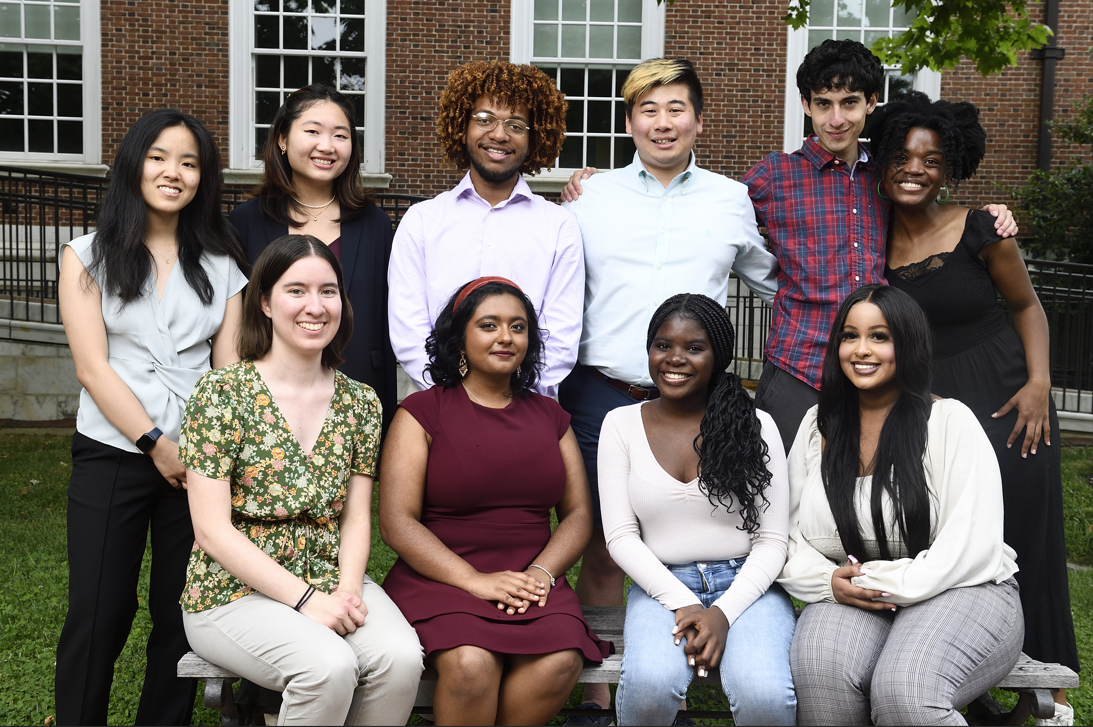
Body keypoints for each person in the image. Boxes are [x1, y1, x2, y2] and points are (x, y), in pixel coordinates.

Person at [563, 41, 1018, 454]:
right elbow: (706, 213)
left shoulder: (887, 175)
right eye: (823, 104)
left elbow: (927, 203)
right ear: (806, 105)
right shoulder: (771, 178)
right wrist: (594, 183)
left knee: (874, 491)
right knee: (780, 498)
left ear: (871, 105)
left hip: (876, 364)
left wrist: (988, 213)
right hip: (799, 365)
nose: (836, 118)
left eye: (849, 104)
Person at [557, 57, 779, 719]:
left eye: (675, 107)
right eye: (647, 109)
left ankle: (691, 654)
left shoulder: (729, 199)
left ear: (698, 119)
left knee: (692, 528)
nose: (662, 121)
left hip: (696, 402)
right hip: (601, 392)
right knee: (601, 538)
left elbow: (778, 283)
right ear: (628, 122)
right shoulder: (588, 198)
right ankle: (599, 689)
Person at [871, 91, 1080, 724]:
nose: (916, 169)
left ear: (950, 167)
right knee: (943, 535)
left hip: (1006, 398)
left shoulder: (983, 228)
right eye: (904, 156)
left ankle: (1049, 696)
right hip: (927, 407)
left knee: (1023, 533)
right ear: (882, 159)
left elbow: (1028, 307)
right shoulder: (869, 236)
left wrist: (1040, 382)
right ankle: (968, 678)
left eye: (932, 160)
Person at [178, 235, 424, 726]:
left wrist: (347, 595)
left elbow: (355, 516)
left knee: (400, 659)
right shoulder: (223, 393)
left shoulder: (360, 402)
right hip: (231, 589)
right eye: (297, 291)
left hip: (330, 574)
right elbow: (211, 530)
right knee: (326, 667)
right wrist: (308, 602)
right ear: (265, 302)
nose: (315, 306)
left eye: (328, 291)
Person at [55, 109, 248, 725]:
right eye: (160, 157)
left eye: (189, 163)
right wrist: (156, 442)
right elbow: (93, 367)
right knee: (100, 608)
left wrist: (203, 454)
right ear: (134, 164)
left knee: (179, 614)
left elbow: (228, 373)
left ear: (203, 178)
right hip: (114, 452)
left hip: (198, 465)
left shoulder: (221, 264)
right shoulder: (86, 256)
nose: (174, 173)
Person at [779, 284, 1023, 726]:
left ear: (906, 343)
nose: (861, 350)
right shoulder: (818, 426)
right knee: (820, 669)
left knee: (904, 690)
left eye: (880, 336)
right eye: (850, 336)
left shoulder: (949, 422)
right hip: (857, 592)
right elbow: (786, 533)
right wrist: (827, 580)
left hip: (962, 588)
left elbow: (969, 545)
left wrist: (881, 581)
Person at [379, 277, 611, 726]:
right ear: (460, 337)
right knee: (472, 664)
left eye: (518, 327)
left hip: (531, 581)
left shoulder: (550, 416)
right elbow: (396, 522)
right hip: (443, 578)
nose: (506, 337)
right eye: (489, 324)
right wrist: (472, 580)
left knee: (560, 662)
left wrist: (541, 573)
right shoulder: (422, 412)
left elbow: (579, 514)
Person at [598, 294, 795, 726]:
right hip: (662, 584)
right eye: (663, 345)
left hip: (748, 583)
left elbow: (772, 539)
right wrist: (685, 604)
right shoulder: (620, 424)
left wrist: (722, 613)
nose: (675, 358)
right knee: (648, 686)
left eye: (694, 347)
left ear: (717, 356)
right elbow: (620, 536)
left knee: (764, 694)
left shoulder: (757, 427)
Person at [387, 60, 584, 398]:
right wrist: (456, 397)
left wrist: (511, 398)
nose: (499, 134)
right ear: (461, 126)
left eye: (516, 124)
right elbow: (409, 330)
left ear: (534, 137)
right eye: (484, 120)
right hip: (437, 405)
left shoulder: (559, 225)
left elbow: (560, 336)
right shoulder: (421, 221)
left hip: (527, 407)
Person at [230, 84, 399, 430]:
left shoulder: (376, 224)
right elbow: (238, 320)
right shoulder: (245, 221)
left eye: (341, 135)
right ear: (281, 139)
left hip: (359, 394)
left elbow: (383, 323)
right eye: (312, 131)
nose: (327, 146)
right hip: (269, 400)